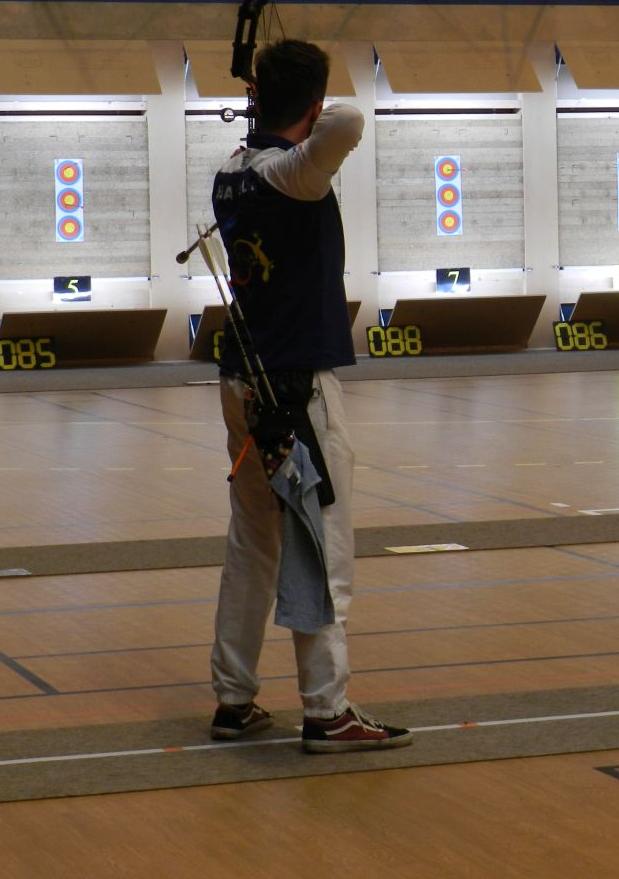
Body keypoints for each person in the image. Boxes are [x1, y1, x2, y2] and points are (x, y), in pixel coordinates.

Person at [207, 39, 412, 751]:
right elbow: (349, 121)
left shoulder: (233, 171)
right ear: (314, 105)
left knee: (253, 544)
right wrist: (297, 103)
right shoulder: (290, 174)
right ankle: (327, 710)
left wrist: (269, 96)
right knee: (322, 547)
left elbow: (321, 121)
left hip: (244, 380)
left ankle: (233, 698)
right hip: (296, 391)